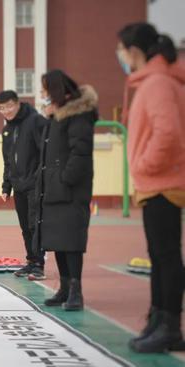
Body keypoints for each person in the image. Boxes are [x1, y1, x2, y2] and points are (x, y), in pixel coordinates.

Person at [117, 22, 185, 353]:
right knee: (159, 256)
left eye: (121, 49)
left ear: (134, 51)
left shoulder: (157, 83)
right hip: (155, 184)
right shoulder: (152, 82)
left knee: (167, 256)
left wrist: (143, 166)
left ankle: (170, 326)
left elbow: (169, 134)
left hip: (162, 183)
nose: (119, 56)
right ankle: (158, 319)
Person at [35, 70, 98, 312]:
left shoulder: (78, 114)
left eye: (45, 89)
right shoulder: (56, 116)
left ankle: (76, 291)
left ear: (56, 90)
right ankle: (63, 287)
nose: (42, 94)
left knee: (71, 243)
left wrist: (63, 180)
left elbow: (80, 153)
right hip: (53, 190)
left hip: (70, 192)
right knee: (58, 241)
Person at [0, 90, 48, 280]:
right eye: (2, 108)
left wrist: (40, 178)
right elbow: (8, 160)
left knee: (35, 224)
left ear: (18, 104)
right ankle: (31, 261)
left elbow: (45, 151)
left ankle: (39, 264)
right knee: (25, 226)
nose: (6, 111)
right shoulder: (7, 130)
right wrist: (6, 185)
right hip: (18, 185)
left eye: (9, 106)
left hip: (35, 184)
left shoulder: (35, 121)